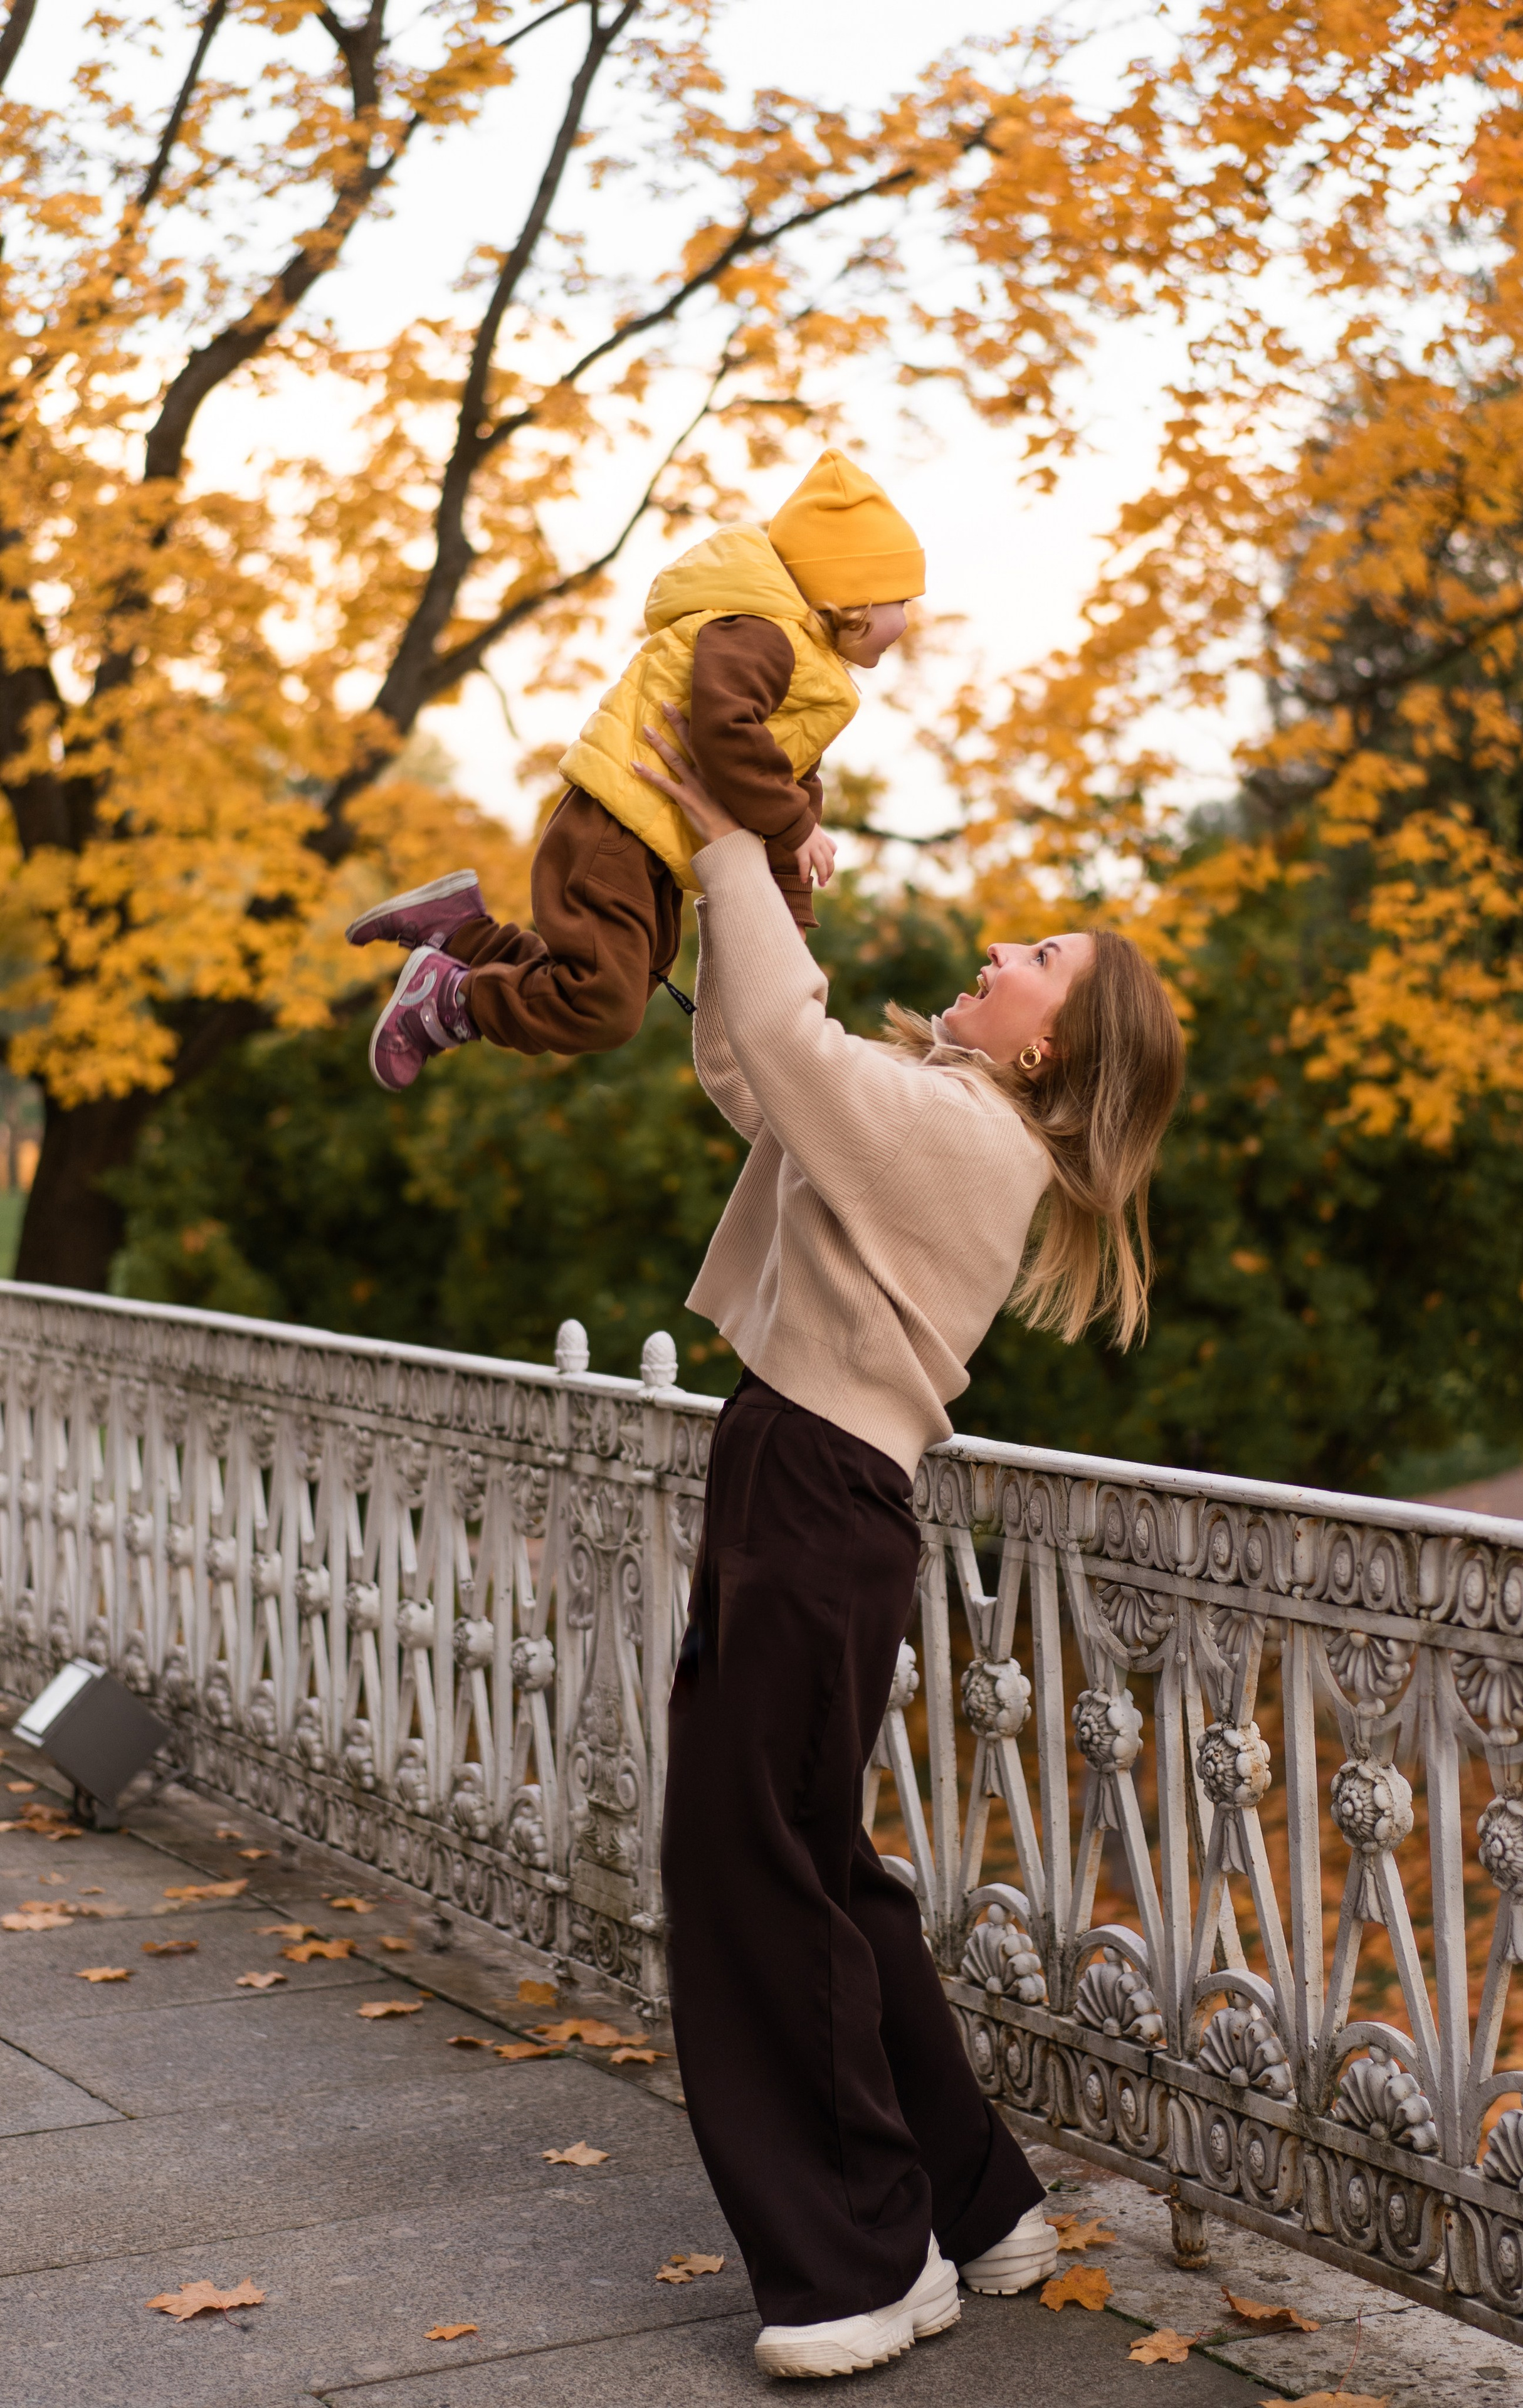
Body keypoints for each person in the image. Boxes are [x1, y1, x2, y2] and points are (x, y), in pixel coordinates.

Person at [633, 704, 1186, 2380]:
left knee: (754, 1877)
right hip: (794, 1487)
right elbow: (754, 1064)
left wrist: (729, 841)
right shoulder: (939, 1109)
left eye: (1037, 958)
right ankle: (977, 2200)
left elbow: (794, 1060)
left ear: (1046, 1053)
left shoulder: (966, 1138)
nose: (999, 946)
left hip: (813, 1500)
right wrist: (771, 890)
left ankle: (866, 2264)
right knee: (819, 1866)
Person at [345, 449, 922, 1089]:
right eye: (901, 599)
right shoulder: (760, 635)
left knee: (612, 982)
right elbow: (725, 732)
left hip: (645, 839)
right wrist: (794, 827)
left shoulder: (808, 667)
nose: (907, 620)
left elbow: (787, 781)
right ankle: (447, 1005)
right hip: (617, 824)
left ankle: (460, 933)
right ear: (852, 598)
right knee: (603, 1009)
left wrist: (787, 920)